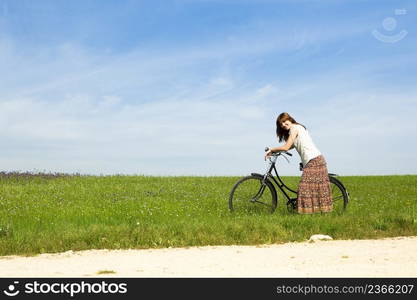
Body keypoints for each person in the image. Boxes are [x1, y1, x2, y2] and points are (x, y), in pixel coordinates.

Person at [264, 112, 332, 214]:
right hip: (313, 159)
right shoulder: (298, 128)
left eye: (284, 121)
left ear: (289, 119)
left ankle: (307, 213)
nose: (283, 125)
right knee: (310, 188)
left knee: (304, 187)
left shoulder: (294, 128)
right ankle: (314, 213)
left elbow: (286, 147)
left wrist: (272, 149)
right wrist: (275, 151)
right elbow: (290, 146)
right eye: (281, 124)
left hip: (314, 160)